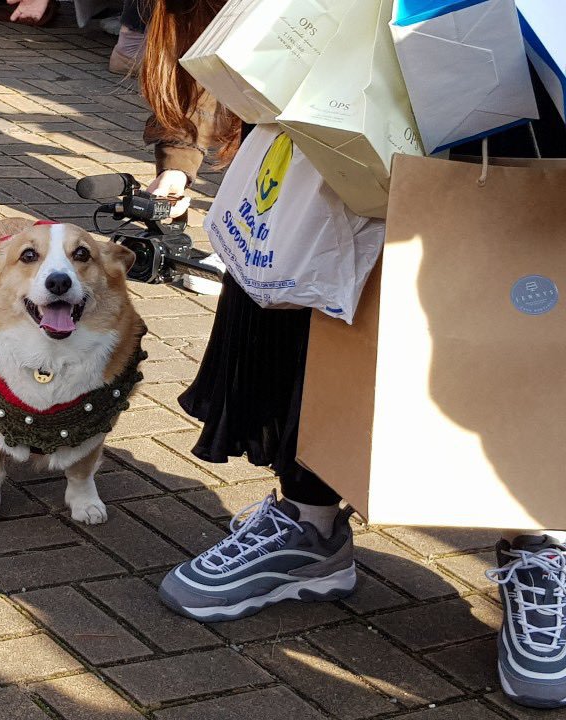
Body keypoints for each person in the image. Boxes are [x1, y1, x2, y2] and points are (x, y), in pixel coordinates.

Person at [139, 0, 566, 709]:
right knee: (321, 253)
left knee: (526, 270)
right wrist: (177, 152)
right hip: (358, 37)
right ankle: (308, 522)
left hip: (538, 38)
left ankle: (544, 544)